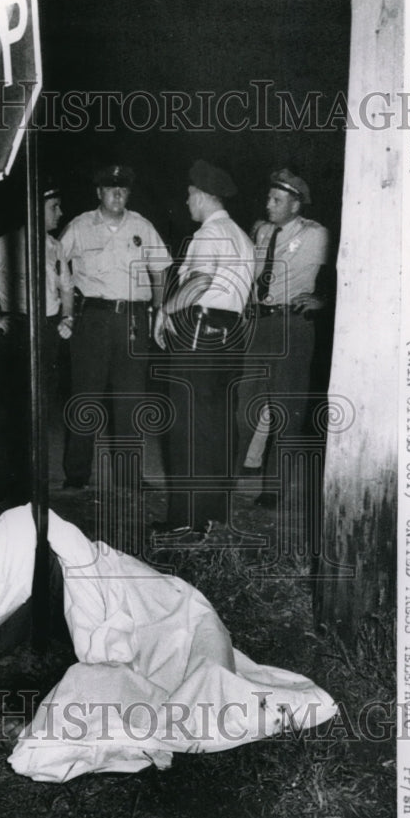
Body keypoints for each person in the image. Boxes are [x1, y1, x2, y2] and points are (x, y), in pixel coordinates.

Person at [153, 160, 255, 539]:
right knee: (218, 428)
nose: (186, 202)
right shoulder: (242, 237)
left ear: (202, 195)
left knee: (187, 426)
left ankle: (185, 518)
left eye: (189, 195)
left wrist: (165, 311)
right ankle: (213, 515)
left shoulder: (208, 235)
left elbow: (200, 280)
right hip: (231, 336)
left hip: (198, 334)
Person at [0, 181, 73, 506]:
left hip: (47, 332)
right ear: (37, 210)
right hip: (18, 332)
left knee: (38, 412)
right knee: (6, 411)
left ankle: (27, 491)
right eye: (54, 207)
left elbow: (67, 287)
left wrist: (68, 317)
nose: (60, 213)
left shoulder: (55, 247)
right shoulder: (5, 243)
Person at [59, 164, 171, 490]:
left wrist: (159, 308)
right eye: (110, 188)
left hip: (134, 320)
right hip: (93, 318)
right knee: (85, 396)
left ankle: (129, 475)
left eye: (123, 189)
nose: (117, 194)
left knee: (131, 399)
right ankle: (77, 474)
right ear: (99, 192)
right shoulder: (80, 226)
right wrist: (63, 308)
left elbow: (161, 269)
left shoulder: (142, 226)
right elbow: (52, 260)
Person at [236, 168, 329, 506]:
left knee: (286, 412)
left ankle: (273, 490)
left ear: (295, 205)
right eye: (268, 197)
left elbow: (340, 270)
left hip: (292, 327)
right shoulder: (260, 232)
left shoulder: (317, 234)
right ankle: (229, 479)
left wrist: (325, 299)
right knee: (244, 406)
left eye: (276, 200)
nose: (268, 204)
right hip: (259, 326)